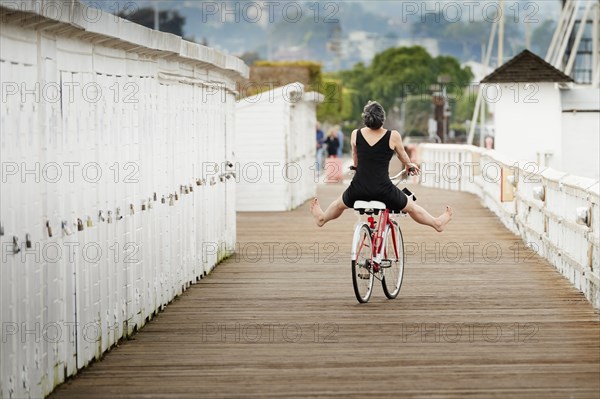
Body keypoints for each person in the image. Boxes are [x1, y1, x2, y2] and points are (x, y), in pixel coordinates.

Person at [310, 101, 453, 232]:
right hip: (383, 190)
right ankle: (436, 223)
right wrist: (409, 165)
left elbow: (356, 159)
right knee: (412, 207)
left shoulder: (356, 134)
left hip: (358, 189)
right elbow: (402, 155)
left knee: (338, 204)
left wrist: (355, 167)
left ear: (365, 118)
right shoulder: (393, 136)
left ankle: (322, 218)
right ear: (382, 118)